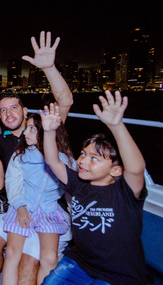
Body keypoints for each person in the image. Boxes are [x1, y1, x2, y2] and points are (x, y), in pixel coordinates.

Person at [0, 31, 74, 285]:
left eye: (13, 108)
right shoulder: (1, 139)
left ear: (25, 110)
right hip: (18, 206)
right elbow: (5, 176)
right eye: (2, 110)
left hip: (48, 211)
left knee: (29, 260)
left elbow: (65, 101)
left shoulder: (46, 132)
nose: (7, 113)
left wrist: (50, 68)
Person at [41, 91, 147, 285]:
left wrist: (116, 126)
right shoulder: (79, 185)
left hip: (120, 275)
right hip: (81, 263)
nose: (82, 161)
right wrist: (49, 131)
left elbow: (136, 169)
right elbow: (53, 161)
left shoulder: (125, 193)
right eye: (83, 154)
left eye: (94, 158)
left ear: (115, 170)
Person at [2, 113, 74, 285]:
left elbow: (71, 189)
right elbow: (12, 182)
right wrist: (20, 207)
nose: (25, 132)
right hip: (23, 206)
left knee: (49, 259)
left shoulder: (64, 160)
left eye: (32, 129)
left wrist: (75, 213)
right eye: (26, 127)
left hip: (48, 209)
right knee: (12, 253)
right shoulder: (20, 156)